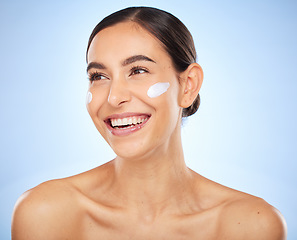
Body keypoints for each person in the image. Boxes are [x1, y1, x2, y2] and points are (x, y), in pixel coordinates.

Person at [11, 6, 287, 239]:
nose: (114, 97)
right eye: (98, 76)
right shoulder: (45, 213)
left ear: (188, 86)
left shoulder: (251, 225)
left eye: (138, 70)